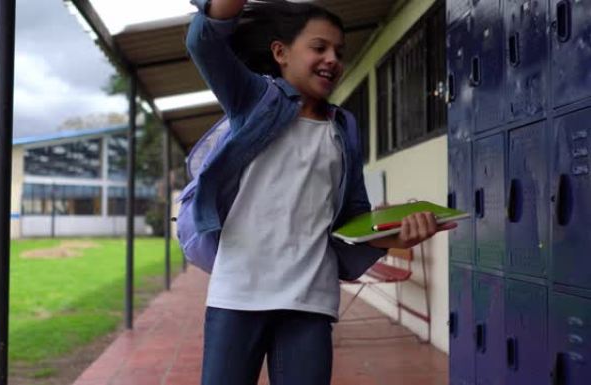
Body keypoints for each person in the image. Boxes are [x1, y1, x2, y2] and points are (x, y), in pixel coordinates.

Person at [185, 1, 457, 384]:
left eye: (339, 52)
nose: (332, 59)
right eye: (319, 47)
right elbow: (205, 43)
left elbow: (353, 220)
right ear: (280, 53)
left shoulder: (342, 128)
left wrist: (397, 234)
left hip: (309, 302)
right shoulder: (253, 101)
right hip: (238, 297)